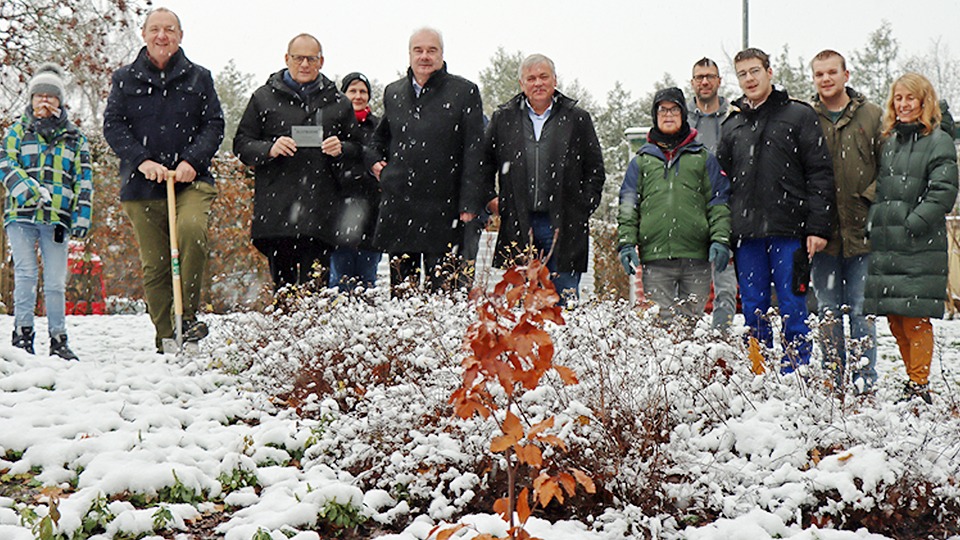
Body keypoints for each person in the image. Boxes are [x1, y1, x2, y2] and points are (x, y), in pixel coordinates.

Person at [103, 7, 224, 352]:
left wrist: (191, 160)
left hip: (191, 181)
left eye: (169, 29)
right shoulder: (124, 79)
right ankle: (167, 334)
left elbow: (213, 125)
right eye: (155, 29)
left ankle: (187, 317)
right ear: (143, 34)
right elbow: (113, 126)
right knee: (156, 264)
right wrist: (141, 161)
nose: (162, 36)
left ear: (180, 36)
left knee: (190, 231)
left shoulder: (199, 78)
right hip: (142, 186)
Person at [717, 48, 835, 373]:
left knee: (793, 308)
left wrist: (818, 227)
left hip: (790, 232)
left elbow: (820, 173)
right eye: (742, 74)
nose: (749, 79)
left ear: (769, 72)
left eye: (755, 71)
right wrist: (722, 234)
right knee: (754, 311)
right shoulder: (732, 125)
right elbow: (721, 185)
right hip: (746, 236)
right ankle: (759, 378)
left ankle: (795, 377)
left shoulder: (799, 116)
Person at [233, 34, 361, 291]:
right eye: (298, 58)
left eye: (311, 58)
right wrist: (270, 148)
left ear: (321, 61)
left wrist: (342, 149)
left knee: (316, 295)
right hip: (277, 216)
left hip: (321, 215)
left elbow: (359, 150)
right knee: (284, 295)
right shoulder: (263, 97)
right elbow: (242, 144)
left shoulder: (339, 103)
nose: (304, 64)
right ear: (286, 59)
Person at [365, 27, 484, 294]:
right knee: (402, 300)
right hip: (401, 209)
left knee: (445, 299)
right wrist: (377, 166)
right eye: (418, 50)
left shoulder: (464, 92)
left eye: (432, 50)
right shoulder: (394, 92)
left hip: (446, 212)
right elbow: (378, 141)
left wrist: (470, 203)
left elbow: (475, 152)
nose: (425, 56)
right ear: (409, 54)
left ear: (442, 54)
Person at [864, 73, 959, 404]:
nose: (903, 105)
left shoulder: (938, 140)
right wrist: (875, 220)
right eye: (898, 98)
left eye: (910, 98)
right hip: (888, 244)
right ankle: (911, 380)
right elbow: (883, 190)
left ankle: (920, 384)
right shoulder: (891, 142)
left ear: (924, 101)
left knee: (915, 318)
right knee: (896, 319)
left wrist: (913, 222)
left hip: (918, 244)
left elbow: (943, 190)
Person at [481, 54, 605, 304]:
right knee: (520, 303)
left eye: (543, 77)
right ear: (521, 83)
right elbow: (483, 166)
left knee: (564, 302)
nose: (538, 83)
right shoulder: (504, 118)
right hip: (519, 221)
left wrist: (581, 207)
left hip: (563, 223)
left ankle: (567, 344)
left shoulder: (576, 118)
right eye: (531, 78)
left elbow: (595, 170)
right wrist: (492, 201)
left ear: (555, 80)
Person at [1, 63, 92, 360]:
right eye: (39, 96)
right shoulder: (16, 132)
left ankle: (58, 338)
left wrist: (81, 215)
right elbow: (4, 163)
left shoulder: (74, 138)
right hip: (21, 216)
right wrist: (26, 189)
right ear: (31, 100)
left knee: (54, 282)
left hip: (57, 219)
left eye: (51, 97)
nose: (44, 101)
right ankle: (22, 335)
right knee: (26, 275)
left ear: (60, 102)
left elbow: (84, 179)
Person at [618, 87, 730, 322]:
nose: (668, 115)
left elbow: (718, 202)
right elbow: (628, 206)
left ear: (683, 114)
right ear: (655, 116)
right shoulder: (642, 161)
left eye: (674, 110)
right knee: (661, 327)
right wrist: (626, 243)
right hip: (655, 258)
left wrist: (720, 239)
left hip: (696, 257)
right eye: (662, 110)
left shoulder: (703, 158)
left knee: (690, 323)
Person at [808, 50, 883, 393]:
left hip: (862, 232)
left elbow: (889, 170)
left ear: (846, 74)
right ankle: (832, 379)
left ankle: (865, 382)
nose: (826, 79)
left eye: (831, 72)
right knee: (827, 311)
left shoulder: (872, 116)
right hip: (822, 235)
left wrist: (867, 201)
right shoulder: (807, 118)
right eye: (819, 74)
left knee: (860, 311)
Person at [688, 57, 737, 331]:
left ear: (719, 81)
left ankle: (722, 342)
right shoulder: (681, 119)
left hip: (725, 214)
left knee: (726, 288)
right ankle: (689, 355)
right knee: (690, 292)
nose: (705, 81)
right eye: (699, 77)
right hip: (690, 216)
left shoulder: (734, 117)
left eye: (710, 76)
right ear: (693, 82)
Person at [326, 72, 381, 291]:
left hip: (371, 212)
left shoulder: (379, 126)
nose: (358, 96)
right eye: (353, 90)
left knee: (368, 280)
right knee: (339, 281)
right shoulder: (332, 126)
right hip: (339, 213)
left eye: (363, 91)